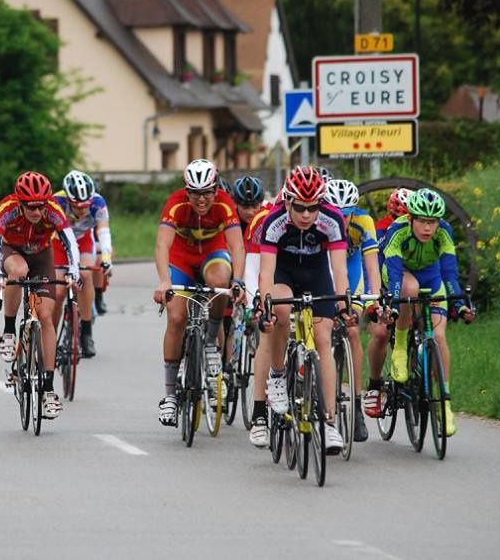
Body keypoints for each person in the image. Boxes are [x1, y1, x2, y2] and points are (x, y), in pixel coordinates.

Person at [249, 166, 350, 453]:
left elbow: (339, 269)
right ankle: (278, 375)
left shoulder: (332, 219)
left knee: (323, 338)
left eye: (312, 207)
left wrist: (344, 304)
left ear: (321, 203)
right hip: (284, 273)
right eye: (300, 208)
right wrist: (266, 306)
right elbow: (266, 273)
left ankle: (329, 423)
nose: (306, 215)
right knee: (280, 312)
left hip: (317, 275)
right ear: (288, 201)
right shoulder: (274, 221)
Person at [152, 159, 246, 426]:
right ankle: (170, 395)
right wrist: (164, 281)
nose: (201, 199)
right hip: (182, 259)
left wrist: (238, 280)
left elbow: (237, 246)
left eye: (207, 192)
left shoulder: (225, 203)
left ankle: (209, 342)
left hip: (212, 255)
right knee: (177, 316)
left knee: (221, 281)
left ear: (216, 189)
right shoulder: (176, 203)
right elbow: (162, 246)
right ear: (186, 191)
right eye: (195, 193)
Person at [379, 188, 476, 435]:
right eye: (422, 221)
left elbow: (450, 273)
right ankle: (401, 347)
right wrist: (393, 303)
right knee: (409, 288)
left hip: (432, 278)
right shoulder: (397, 231)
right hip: (401, 274)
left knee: (439, 337)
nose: (427, 228)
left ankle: (444, 405)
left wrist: (460, 304)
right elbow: (392, 270)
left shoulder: (444, 232)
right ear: (410, 218)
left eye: (432, 222)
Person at [0, 171, 80, 419]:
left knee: (46, 317)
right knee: (18, 270)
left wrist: (74, 270)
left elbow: (69, 240)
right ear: (20, 202)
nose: (37, 212)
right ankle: (8, 331)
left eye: (40, 206)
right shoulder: (6, 208)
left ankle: (48, 389)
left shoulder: (52, 210)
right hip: (12, 251)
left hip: (42, 257)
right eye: (31, 207)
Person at [323, 178, 381, 443]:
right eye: (336, 215)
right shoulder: (319, 221)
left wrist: (373, 301)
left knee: (353, 330)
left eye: (346, 215)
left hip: (352, 268)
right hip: (325, 269)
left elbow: (372, 268)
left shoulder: (364, 223)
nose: (342, 221)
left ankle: (356, 406)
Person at [52, 170, 113, 358]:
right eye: (77, 207)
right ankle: (50, 335)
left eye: (85, 206)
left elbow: (103, 232)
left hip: (83, 240)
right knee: (60, 290)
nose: (82, 210)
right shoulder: (56, 202)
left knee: (85, 276)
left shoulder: (98, 202)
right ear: (68, 199)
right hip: (59, 242)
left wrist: (107, 260)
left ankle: (86, 333)